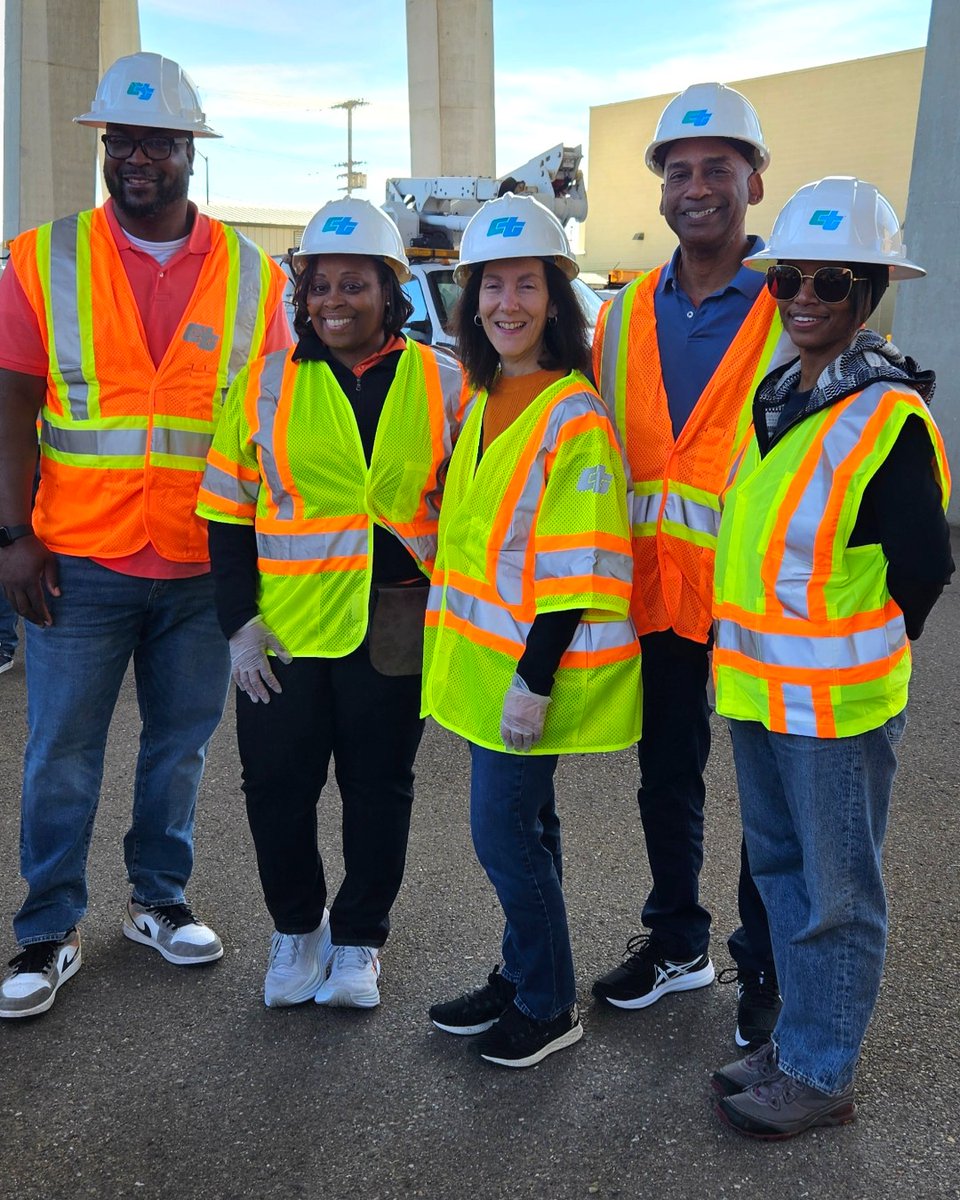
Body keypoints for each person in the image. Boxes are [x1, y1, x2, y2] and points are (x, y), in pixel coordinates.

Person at [0, 52, 289, 1020]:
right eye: (120, 140)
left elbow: (279, 421)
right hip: (75, 558)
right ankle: (46, 928)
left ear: (189, 154)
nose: (136, 159)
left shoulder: (255, 277)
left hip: (206, 566)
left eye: (157, 142)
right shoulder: (43, 259)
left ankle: (157, 900)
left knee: (180, 745)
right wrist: (12, 535)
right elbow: (11, 399)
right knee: (62, 752)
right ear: (104, 147)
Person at [710, 177, 953, 1139]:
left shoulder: (886, 413)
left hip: (836, 705)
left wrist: (865, 651)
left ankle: (821, 1070)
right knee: (780, 876)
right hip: (760, 689)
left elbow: (924, 568)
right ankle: (800, 1037)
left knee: (837, 894)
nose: (806, 297)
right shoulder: (778, 397)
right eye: (789, 281)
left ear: (869, 293)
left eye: (832, 282)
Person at [197, 198, 464, 1010]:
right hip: (285, 626)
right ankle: (297, 930)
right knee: (275, 785)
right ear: (300, 295)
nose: (334, 300)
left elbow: (472, 506)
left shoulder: (445, 381)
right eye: (319, 285)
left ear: (392, 292)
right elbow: (225, 511)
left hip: (395, 621)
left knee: (379, 784)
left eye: (355, 283)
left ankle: (357, 943)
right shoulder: (267, 382)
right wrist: (238, 626)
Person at [592, 82, 788, 1046]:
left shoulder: (802, 302)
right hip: (658, 595)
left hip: (761, 603)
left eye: (718, 168)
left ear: (754, 179)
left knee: (766, 793)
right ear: (660, 190)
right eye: (680, 171)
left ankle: (766, 961)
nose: (698, 187)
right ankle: (678, 942)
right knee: (666, 774)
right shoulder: (622, 314)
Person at [425, 194, 641, 1068]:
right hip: (485, 671)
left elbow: (578, 562)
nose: (505, 303)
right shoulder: (486, 395)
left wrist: (536, 679)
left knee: (504, 837)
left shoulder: (572, 412)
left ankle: (549, 1003)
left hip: (526, 676)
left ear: (556, 299)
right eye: (490, 285)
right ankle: (521, 976)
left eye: (526, 285)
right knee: (527, 832)